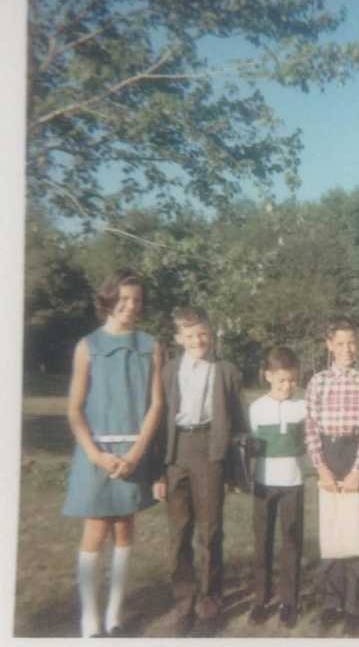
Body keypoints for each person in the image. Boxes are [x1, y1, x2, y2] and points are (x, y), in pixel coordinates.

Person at [62, 269, 164, 638]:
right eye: (122, 299)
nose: (130, 306)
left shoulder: (152, 345)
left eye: (136, 300)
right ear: (108, 299)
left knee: (124, 527)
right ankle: (89, 619)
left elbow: (156, 405)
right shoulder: (87, 346)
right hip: (98, 453)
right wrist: (96, 455)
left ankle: (114, 616)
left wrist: (136, 454)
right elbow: (74, 409)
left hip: (132, 452)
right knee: (95, 528)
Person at [152, 307, 246, 635]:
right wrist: (158, 470)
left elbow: (239, 421)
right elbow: (159, 421)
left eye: (202, 333)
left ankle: (209, 603)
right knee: (179, 533)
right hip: (176, 453)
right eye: (189, 335)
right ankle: (184, 603)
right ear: (178, 338)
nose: (197, 340)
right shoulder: (168, 371)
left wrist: (234, 469)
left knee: (210, 531)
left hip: (210, 450)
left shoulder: (227, 371)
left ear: (212, 332)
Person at [304, 317, 359, 636]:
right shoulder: (317, 381)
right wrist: (320, 467)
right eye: (340, 343)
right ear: (329, 345)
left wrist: (358, 470)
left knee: (356, 532)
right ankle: (332, 603)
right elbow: (309, 427)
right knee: (333, 532)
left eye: (352, 343)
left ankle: (354, 606)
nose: (347, 349)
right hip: (328, 455)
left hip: (355, 455)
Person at [248, 346, 306, 629]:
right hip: (263, 484)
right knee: (263, 542)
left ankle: (289, 601)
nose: (287, 386)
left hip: (293, 483)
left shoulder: (303, 407)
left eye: (292, 380)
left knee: (291, 542)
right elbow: (248, 449)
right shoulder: (256, 408)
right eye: (281, 380)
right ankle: (261, 599)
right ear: (268, 376)